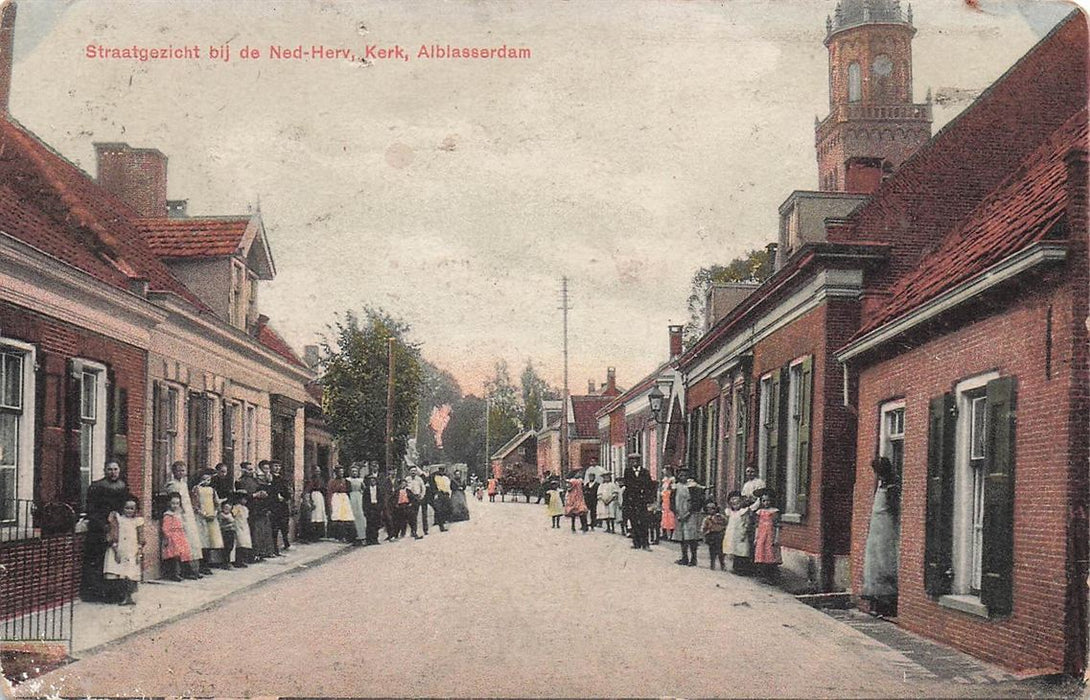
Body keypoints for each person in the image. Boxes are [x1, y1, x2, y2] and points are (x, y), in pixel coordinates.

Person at [82, 461, 133, 602]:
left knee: (116, 561)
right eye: (110, 469)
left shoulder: (123, 486)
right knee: (98, 562)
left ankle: (116, 594)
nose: (113, 472)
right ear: (105, 470)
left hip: (118, 528)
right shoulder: (97, 486)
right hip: (99, 529)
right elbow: (91, 509)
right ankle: (95, 594)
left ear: (119, 470)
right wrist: (103, 525)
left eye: (115, 469)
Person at [862, 456, 900, 618]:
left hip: (886, 529)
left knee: (885, 562)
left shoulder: (891, 486)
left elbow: (894, 509)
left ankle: (887, 603)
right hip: (876, 529)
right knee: (874, 562)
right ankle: (876, 600)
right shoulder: (882, 484)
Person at [165, 461, 209, 577]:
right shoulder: (172, 485)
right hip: (179, 516)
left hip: (188, 515)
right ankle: (184, 571)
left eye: (183, 470)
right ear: (173, 472)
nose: (181, 473)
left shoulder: (184, 484)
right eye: (178, 471)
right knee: (182, 544)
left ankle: (193, 569)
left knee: (191, 543)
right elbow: (174, 502)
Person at [104, 498, 145, 605]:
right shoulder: (119, 520)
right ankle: (123, 596)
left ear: (136, 509)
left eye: (132, 508)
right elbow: (112, 533)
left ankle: (130, 596)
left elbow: (140, 537)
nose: (129, 511)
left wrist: (139, 551)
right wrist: (115, 549)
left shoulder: (138, 521)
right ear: (122, 508)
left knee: (131, 574)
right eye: (127, 508)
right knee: (121, 574)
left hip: (132, 549)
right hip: (121, 549)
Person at [235, 462, 270, 561]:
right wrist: (254, 495)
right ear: (243, 470)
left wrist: (263, 493)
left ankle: (258, 553)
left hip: (258, 508)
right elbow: (241, 496)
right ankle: (250, 556)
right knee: (250, 532)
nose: (252, 471)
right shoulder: (240, 482)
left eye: (252, 469)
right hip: (248, 508)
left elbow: (262, 487)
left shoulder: (255, 480)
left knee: (258, 532)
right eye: (249, 469)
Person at [191, 469, 225, 568]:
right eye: (204, 479)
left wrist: (214, 513)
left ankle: (208, 563)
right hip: (201, 517)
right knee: (202, 540)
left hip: (211, 517)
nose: (206, 482)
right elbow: (194, 504)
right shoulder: (196, 489)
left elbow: (216, 503)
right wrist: (202, 514)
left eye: (208, 480)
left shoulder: (212, 490)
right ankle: (201, 565)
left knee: (211, 540)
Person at [672, 468, 705, 566]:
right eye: (681, 475)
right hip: (679, 513)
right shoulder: (675, 487)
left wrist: (688, 513)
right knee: (682, 537)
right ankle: (684, 557)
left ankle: (694, 558)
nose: (683, 477)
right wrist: (676, 512)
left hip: (690, 514)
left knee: (691, 537)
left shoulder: (692, 487)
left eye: (685, 475)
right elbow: (672, 501)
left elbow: (696, 502)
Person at [160, 492, 194, 581]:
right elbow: (165, 528)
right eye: (173, 503)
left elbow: (182, 524)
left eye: (177, 503)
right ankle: (174, 574)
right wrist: (169, 537)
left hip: (180, 535)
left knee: (184, 553)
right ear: (169, 503)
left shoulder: (179, 513)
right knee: (174, 555)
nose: (175, 505)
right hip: (172, 537)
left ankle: (186, 572)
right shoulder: (168, 515)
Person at [623, 455, 654, 550]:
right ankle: (636, 542)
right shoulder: (628, 472)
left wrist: (648, 499)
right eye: (632, 461)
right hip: (632, 501)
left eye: (636, 460)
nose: (634, 462)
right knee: (634, 521)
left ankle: (645, 543)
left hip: (642, 500)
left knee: (644, 522)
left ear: (639, 461)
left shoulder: (645, 472)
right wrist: (627, 501)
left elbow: (649, 486)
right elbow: (627, 486)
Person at [752, 488, 782, 582]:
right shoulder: (759, 512)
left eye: (768, 500)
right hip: (761, 535)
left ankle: (772, 576)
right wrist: (756, 538)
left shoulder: (774, 511)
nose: (766, 503)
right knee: (761, 553)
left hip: (770, 535)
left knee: (770, 553)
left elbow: (777, 526)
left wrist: (776, 538)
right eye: (764, 501)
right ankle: (762, 575)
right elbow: (757, 526)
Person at [723, 490, 752, 575]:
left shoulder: (743, 512)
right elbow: (728, 522)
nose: (735, 505)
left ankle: (742, 568)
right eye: (733, 504)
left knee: (742, 550)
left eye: (738, 503)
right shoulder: (729, 512)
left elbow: (747, 523)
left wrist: (744, 531)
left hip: (741, 533)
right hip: (732, 533)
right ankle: (734, 567)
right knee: (733, 549)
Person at [269, 461, 293, 552]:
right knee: (274, 527)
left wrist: (286, 497)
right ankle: (275, 547)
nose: (277, 468)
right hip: (274, 506)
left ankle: (286, 543)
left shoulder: (282, 479)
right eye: (275, 466)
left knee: (284, 525)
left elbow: (287, 491)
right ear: (271, 467)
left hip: (283, 505)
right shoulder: (269, 479)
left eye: (279, 466)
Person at [326, 466, 355, 542]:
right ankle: (338, 536)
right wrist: (330, 502)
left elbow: (349, 491)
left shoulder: (346, 481)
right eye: (339, 472)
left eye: (342, 472)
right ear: (336, 473)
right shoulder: (332, 482)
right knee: (338, 516)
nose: (341, 473)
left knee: (346, 516)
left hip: (344, 498)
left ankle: (348, 536)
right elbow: (329, 492)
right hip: (336, 498)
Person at [301, 469, 327, 542]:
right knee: (313, 516)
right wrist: (310, 501)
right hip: (313, 496)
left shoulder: (321, 480)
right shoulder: (311, 480)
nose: (318, 473)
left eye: (319, 471)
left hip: (320, 498)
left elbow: (324, 489)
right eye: (316, 471)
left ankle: (319, 534)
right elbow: (307, 490)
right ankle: (312, 535)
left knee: (320, 515)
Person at [701, 501, 728, 571]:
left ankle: (722, 564)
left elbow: (726, 523)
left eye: (713, 508)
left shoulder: (721, 517)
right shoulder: (707, 519)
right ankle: (712, 564)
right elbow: (703, 528)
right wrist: (705, 534)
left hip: (720, 535)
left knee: (720, 551)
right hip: (711, 535)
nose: (711, 510)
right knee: (712, 550)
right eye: (709, 509)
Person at [346, 465, 368, 545]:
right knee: (352, 515)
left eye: (356, 471)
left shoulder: (360, 480)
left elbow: (365, 489)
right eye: (353, 471)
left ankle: (362, 535)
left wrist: (362, 492)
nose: (354, 473)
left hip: (359, 497)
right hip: (351, 497)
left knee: (360, 516)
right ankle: (354, 536)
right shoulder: (348, 480)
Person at [230, 490, 253, 566]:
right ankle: (237, 561)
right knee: (239, 543)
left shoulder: (245, 508)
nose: (245, 501)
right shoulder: (236, 507)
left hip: (244, 526)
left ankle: (242, 560)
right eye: (243, 499)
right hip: (238, 526)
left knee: (244, 543)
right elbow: (233, 515)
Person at [362, 473, 385, 544]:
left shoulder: (379, 489)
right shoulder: (366, 490)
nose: (372, 482)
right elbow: (364, 501)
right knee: (369, 524)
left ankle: (375, 539)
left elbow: (381, 500)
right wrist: (365, 510)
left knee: (376, 524)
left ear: (376, 481)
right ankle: (369, 540)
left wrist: (380, 507)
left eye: (374, 480)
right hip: (369, 507)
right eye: (371, 481)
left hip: (376, 507)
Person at [430, 465, 453, 532]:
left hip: (446, 494)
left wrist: (449, 493)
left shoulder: (446, 478)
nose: (441, 472)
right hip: (439, 494)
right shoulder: (435, 477)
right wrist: (435, 493)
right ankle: (441, 526)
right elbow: (433, 486)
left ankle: (444, 522)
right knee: (439, 509)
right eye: (440, 470)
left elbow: (448, 486)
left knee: (446, 509)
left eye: (443, 470)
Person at [217, 500, 239, 568]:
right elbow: (220, 525)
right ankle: (225, 562)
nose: (226, 509)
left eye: (228, 508)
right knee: (226, 547)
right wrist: (229, 525)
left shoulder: (230, 515)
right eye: (225, 508)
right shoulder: (221, 515)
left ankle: (228, 561)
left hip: (231, 532)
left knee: (231, 547)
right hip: (225, 532)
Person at [407, 467, 427, 537]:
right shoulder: (407, 479)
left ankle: (416, 531)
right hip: (409, 498)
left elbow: (423, 488)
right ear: (409, 472)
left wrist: (422, 496)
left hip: (417, 497)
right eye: (412, 471)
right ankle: (413, 530)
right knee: (410, 515)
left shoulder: (419, 479)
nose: (413, 472)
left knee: (416, 515)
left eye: (414, 471)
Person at [660, 468, 677, 542]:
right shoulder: (664, 480)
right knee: (664, 516)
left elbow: (673, 489)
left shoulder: (672, 480)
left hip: (669, 498)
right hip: (664, 498)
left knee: (670, 516)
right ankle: (664, 534)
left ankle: (671, 535)